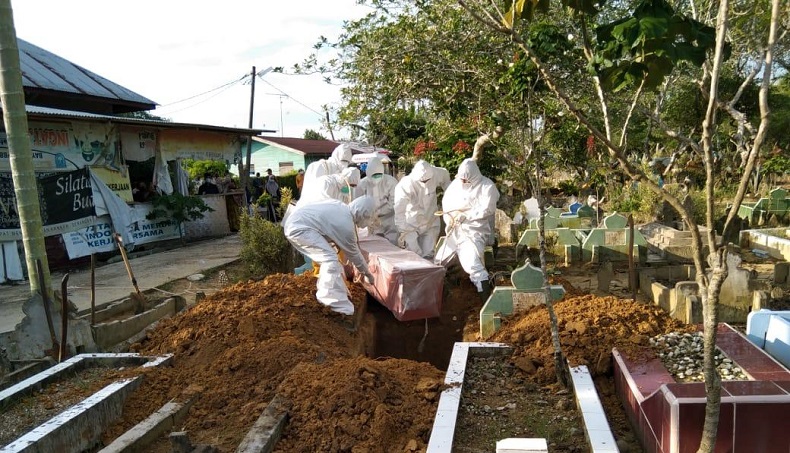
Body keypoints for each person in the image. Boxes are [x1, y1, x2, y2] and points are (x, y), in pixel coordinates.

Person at [283, 196, 376, 319]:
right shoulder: (346, 225)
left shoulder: (340, 207)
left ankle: (335, 293)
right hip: (299, 229)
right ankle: (332, 303)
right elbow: (355, 255)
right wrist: (369, 275)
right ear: (363, 214)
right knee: (330, 259)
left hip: (295, 223)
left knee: (330, 258)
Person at [434, 158, 499, 293]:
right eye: (462, 179)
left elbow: (488, 209)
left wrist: (468, 216)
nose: (463, 182)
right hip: (454, 231)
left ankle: (486, 301)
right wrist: (450, 220)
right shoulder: (455, 185)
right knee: (438, 262)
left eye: (466, 180)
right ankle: (442, 294)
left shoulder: (487, 186)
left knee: (473, 265)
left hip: (475, 231)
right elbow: (447, 205)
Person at [394, 160, 443, 258]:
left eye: (427, 180)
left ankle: (430, 272)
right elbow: (399, 210)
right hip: (411, 223)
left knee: (429, 253)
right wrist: (403, 230)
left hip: (430, 221)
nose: (425, 183)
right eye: (422, 181)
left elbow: (448, 186)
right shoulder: (405, 185)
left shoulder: (438, 173)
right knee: (413, 253)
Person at [356, 156, 398, 244]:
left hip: (389, 219)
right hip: (371, 220)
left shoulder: (391, 182)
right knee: (376, 244)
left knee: (392, 244)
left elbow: (394, 202)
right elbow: (359, 203)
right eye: (374, 175)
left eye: (379, 175)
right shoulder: (362, 184)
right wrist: (369, 215)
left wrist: (379, 212)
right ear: (368, 173)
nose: (376, 177)